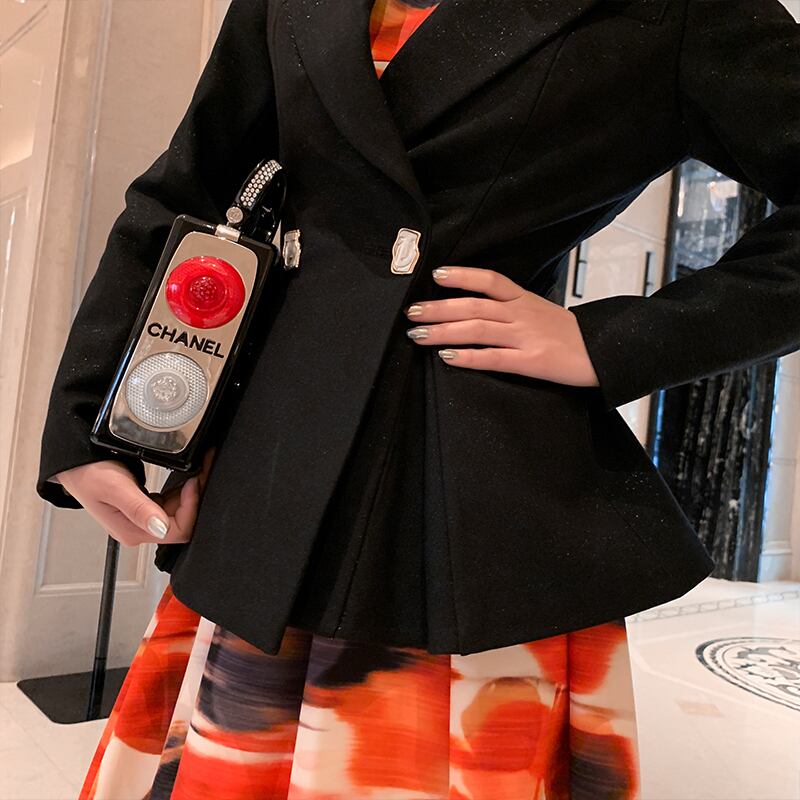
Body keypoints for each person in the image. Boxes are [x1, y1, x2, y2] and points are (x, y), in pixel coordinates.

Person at [36, 0, 800, 796]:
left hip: (473, 501)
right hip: (274, 473)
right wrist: (88, 422)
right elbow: (188, 189)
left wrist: (611, 340)